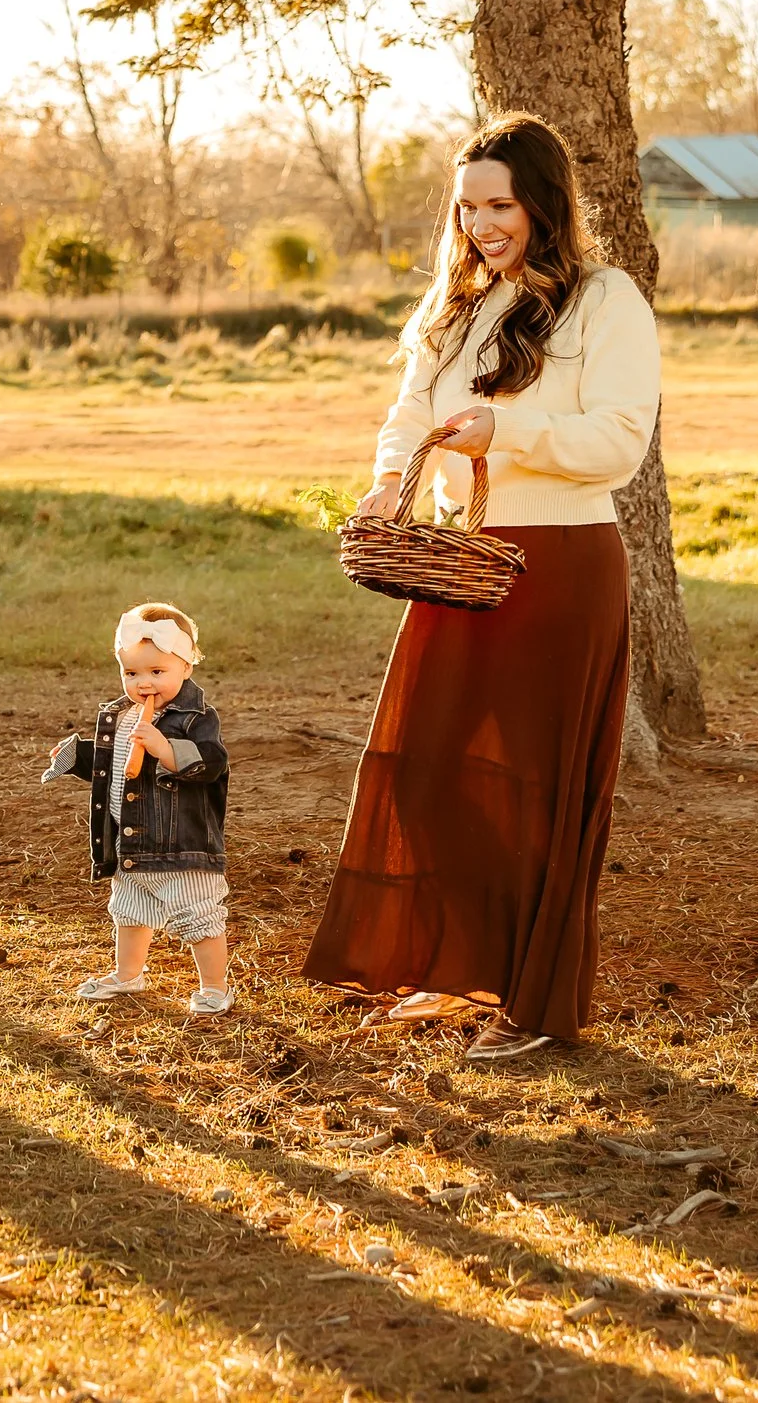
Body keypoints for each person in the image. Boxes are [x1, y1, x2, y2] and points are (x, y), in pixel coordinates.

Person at [302, 113, 660, 1060]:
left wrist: (508, 434)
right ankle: (456, 966)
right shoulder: (455, 308)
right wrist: (390, 480)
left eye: (499, 204)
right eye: (467, 208)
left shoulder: (606, 301)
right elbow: (411, 408)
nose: (482, 225)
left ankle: (532, 1007)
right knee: (425, 770)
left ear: (543, 203)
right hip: (463, 566)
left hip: (565, 566)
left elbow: (621, 442)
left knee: (536, 791)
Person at [43, 603, 234, 1015]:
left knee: (198, 914)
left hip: (180, 844)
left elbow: (212, 763)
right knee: (129, 912)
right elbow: (112, 763)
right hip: (129, 841)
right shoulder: (120, 715)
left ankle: (214, 986)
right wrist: (77, 756)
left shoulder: (195, 718)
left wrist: (165, 749)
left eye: (156, 672)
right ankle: (128, 974)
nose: (143, 683)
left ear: (186, 665)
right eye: (131, 673)